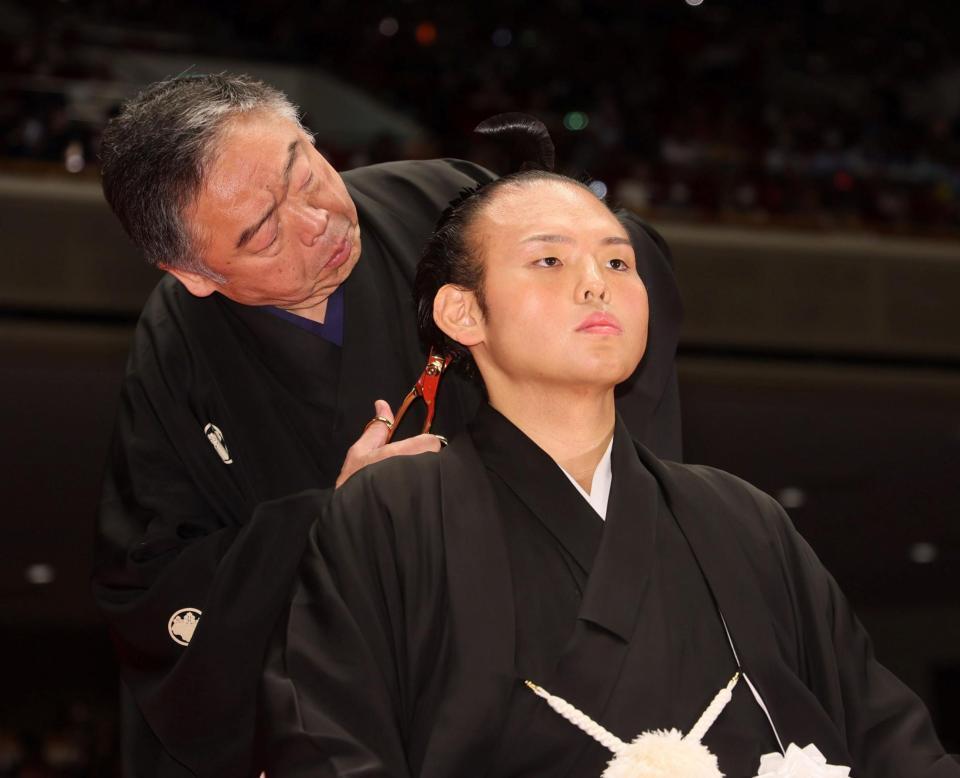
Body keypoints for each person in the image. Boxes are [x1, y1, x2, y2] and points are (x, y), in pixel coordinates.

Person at [259, 119, 959, 778]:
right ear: (463, 312)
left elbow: (886, 736)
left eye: (619, 261)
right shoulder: (391, 510)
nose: (598, 281)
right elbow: (327, 745)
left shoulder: (740, 517)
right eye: (549, 259)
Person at [91, 77, 683, 777]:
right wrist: (338, 522)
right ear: (191, 270)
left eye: (304, 172)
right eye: (261, 232)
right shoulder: (176, 356)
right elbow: (157, 588)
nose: (316, 223)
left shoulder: (447, 205)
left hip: (554, 658)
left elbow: (629, 281)